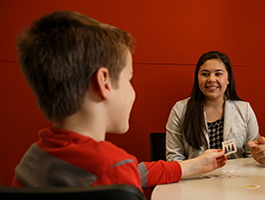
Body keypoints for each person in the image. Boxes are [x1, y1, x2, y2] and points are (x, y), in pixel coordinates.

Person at [12, 11, 226, 191]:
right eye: (129, 79)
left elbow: (136, 171)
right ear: (104, 82)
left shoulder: (32, 158)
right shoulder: (113, 169)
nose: (132, 91)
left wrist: (196, 165)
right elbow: (121, 171)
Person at [166, 51, 260, 162]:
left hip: (235, 177)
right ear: (197, 78)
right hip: (195, 177)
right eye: (205, 74)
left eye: (218, 74)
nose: (211, 79)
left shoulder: (245, 110)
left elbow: (253, 156)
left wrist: (260, 153)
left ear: (228, 78)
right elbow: (174, 158)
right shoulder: (180, 109)